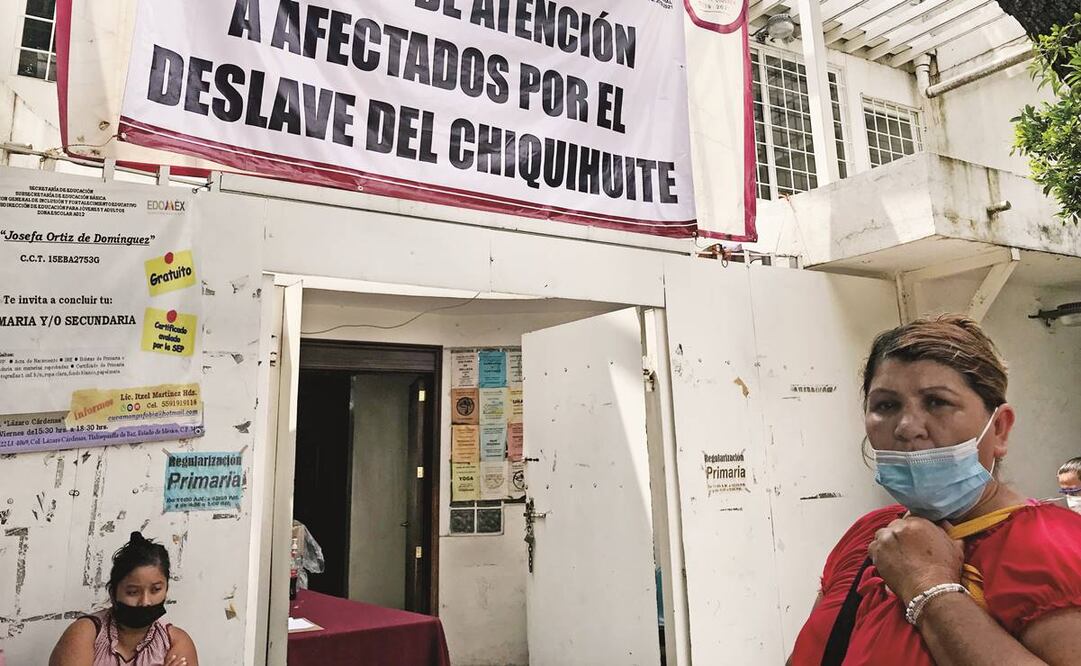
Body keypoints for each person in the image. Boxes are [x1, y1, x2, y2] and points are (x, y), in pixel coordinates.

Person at [789, 314, 1081, 665]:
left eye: (937, 402)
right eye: (886, 405)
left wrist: (928, 588)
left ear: (1000, 428)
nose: (907, 427)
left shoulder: (1052, 547)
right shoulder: (868, 538)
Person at [49, 532, 199, 666]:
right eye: (133, 592)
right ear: (113, 592)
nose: (145, 601)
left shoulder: (176, 642)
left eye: (156, 590)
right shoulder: (86, 633)